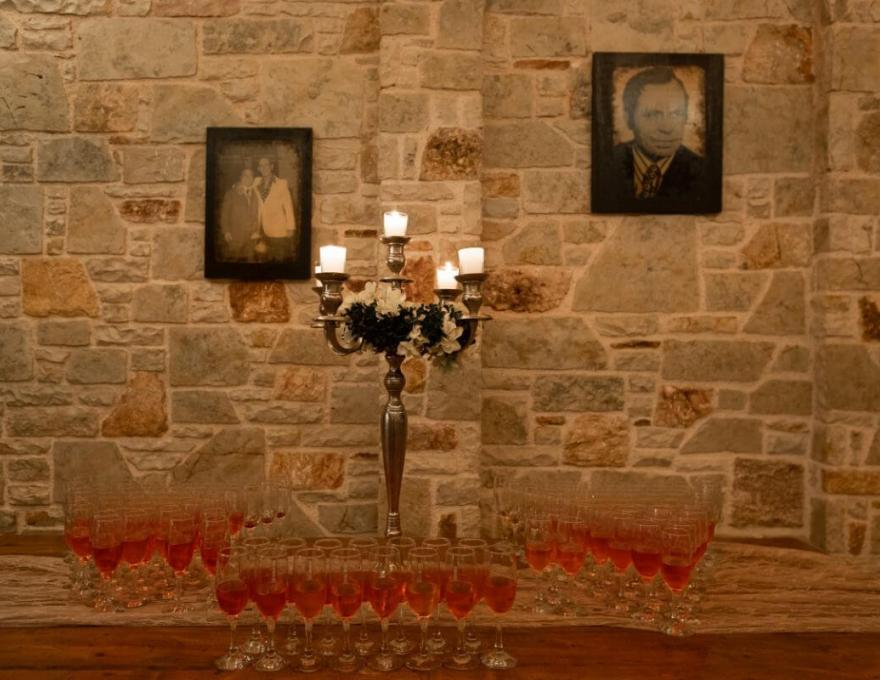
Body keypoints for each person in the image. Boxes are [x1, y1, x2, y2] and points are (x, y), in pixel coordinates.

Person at [610, 66, 707, 202]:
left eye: (676, 114)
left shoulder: (704, 173)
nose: (667, 129)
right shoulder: (606, 164)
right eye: (652, 115)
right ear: (628, 119)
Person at [253, 156, 296, 262]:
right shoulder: (256, 182)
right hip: (262, 229)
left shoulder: (281, 183)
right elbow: (244, 185)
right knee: (265, 259)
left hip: (278, 229)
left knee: (278, 258)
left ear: (271, 166)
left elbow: (288, 206)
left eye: (266, 165)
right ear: (258, 168)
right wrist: (236, 186)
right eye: (261, 166)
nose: (264, 167)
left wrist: (291, 227)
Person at [219, 167, 261, 261]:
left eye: (250, 175)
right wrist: (226, 231)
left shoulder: (256, 193)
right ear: (240, 177)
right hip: (235, 236)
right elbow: (225, 213)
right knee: (235, 261)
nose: (247, 177)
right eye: (245, 175)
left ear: (253, 179)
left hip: (252, 237)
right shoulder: (231, 193)